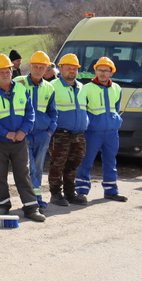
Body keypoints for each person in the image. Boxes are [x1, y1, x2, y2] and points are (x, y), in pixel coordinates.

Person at [0, 54, 44, 222]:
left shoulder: (21, 89)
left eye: (8, 71)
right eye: (2, 72)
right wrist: (6, 133)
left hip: (20, 141)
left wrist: (23, 131)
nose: (6, 74)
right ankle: (3, 205)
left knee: (23, 174)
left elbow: (30, 113)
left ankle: (31, 207)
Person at [75, 57, 128, 202]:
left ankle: (111, 190)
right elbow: (81, 111)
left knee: (111, 161)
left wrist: (115, 121)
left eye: (106, 71)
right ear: (95, 71)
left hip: (111, 132)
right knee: (86, 161)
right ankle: (81, 191)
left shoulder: (117, 88)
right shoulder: (86, 88)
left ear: (112, 73)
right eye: (100, 70)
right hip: (92, 132)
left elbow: (116, 109)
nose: (102, 73)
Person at [15, 51, 58, 210]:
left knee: (38, 168)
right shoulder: (18, 83)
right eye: (36, 66)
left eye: (42, 67)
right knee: (30, 168)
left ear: (46, 69)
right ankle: (32, 199)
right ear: (30, 66)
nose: (39, 70)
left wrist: (49, 131)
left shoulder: (49, 88)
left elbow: (53, 112)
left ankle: (36, 198)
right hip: (24, 133)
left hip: (42, 135)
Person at [48, 54, 88, 206]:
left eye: (74, 68)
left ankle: (70, 193)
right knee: (58, 164)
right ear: (61, 68)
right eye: (69, 68)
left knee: (73, 165)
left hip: (78, 134)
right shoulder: (52, 86)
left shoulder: (82, 87)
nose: (72, 71)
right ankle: (56, 194)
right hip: (60, 134)